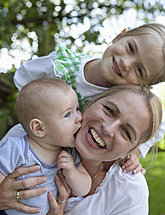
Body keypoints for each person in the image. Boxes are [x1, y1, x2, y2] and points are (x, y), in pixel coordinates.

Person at [13, 23, 165, 165]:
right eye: (131, 48)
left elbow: (160, 124)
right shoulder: (62, 66)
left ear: (144, 86)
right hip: (33, 141)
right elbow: (23, 78)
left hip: (69, 162)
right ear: (120, 35)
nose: (126, 63)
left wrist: (134, 151)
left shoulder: (121, 101)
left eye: (139, 70)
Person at [0, 84, 162, 214]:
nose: (108, 129)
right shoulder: (27, 137)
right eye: (109, 110)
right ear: (91, 104)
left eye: (126, 132)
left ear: (133, 149)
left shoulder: (130, 192)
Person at [0, 78, 91, 215]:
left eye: (77, 109)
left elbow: (84, 189)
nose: (79, 117)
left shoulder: (69, 154)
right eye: (68, 114)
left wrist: (73, 172)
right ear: (39, 128)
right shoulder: (17, 148)